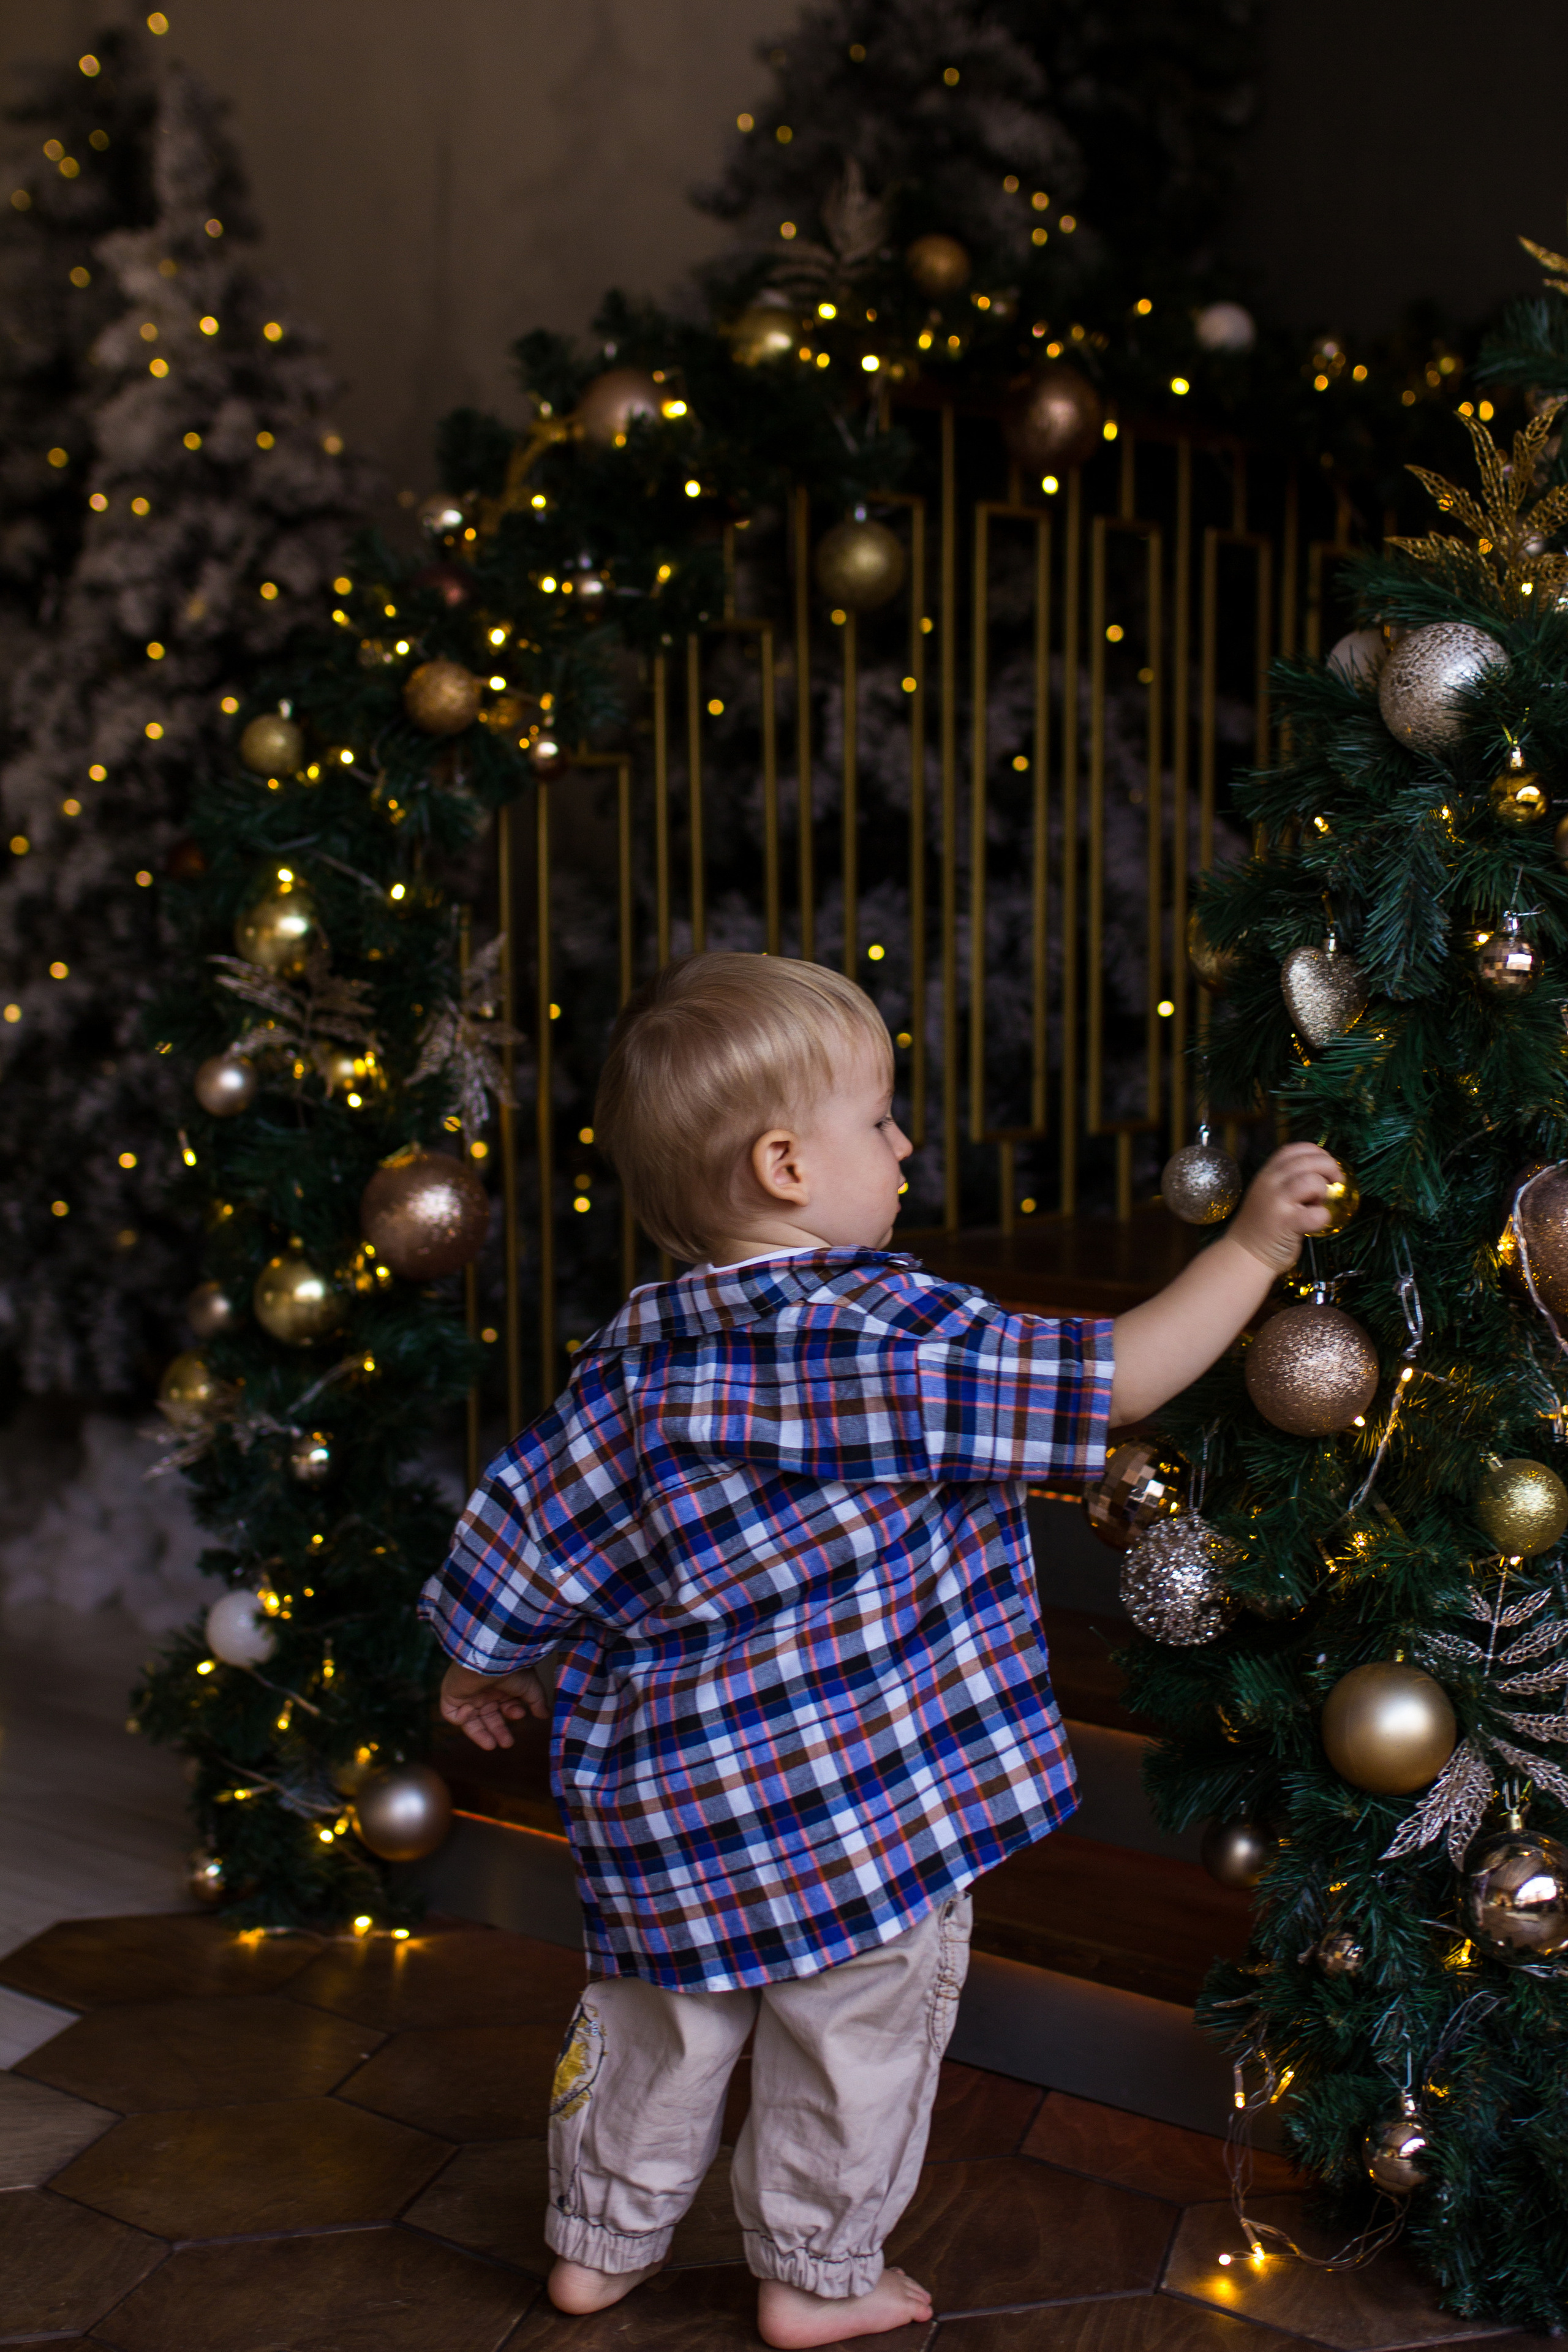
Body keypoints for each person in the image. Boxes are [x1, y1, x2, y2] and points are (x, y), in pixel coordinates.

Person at [419, 952, 1337, 2348]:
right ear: (785, 1165)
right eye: (881, 1118)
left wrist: (485, 1662)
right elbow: (1113, 1378)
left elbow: (532, 1527)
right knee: (852, 2042)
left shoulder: (633, 1354)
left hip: (674, 1807)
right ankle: (812, 2274)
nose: (905, 1145)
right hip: (859, 1813)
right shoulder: (886, 1335)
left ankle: (599, 2247)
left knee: (659, 2023)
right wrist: (1253, 1251)